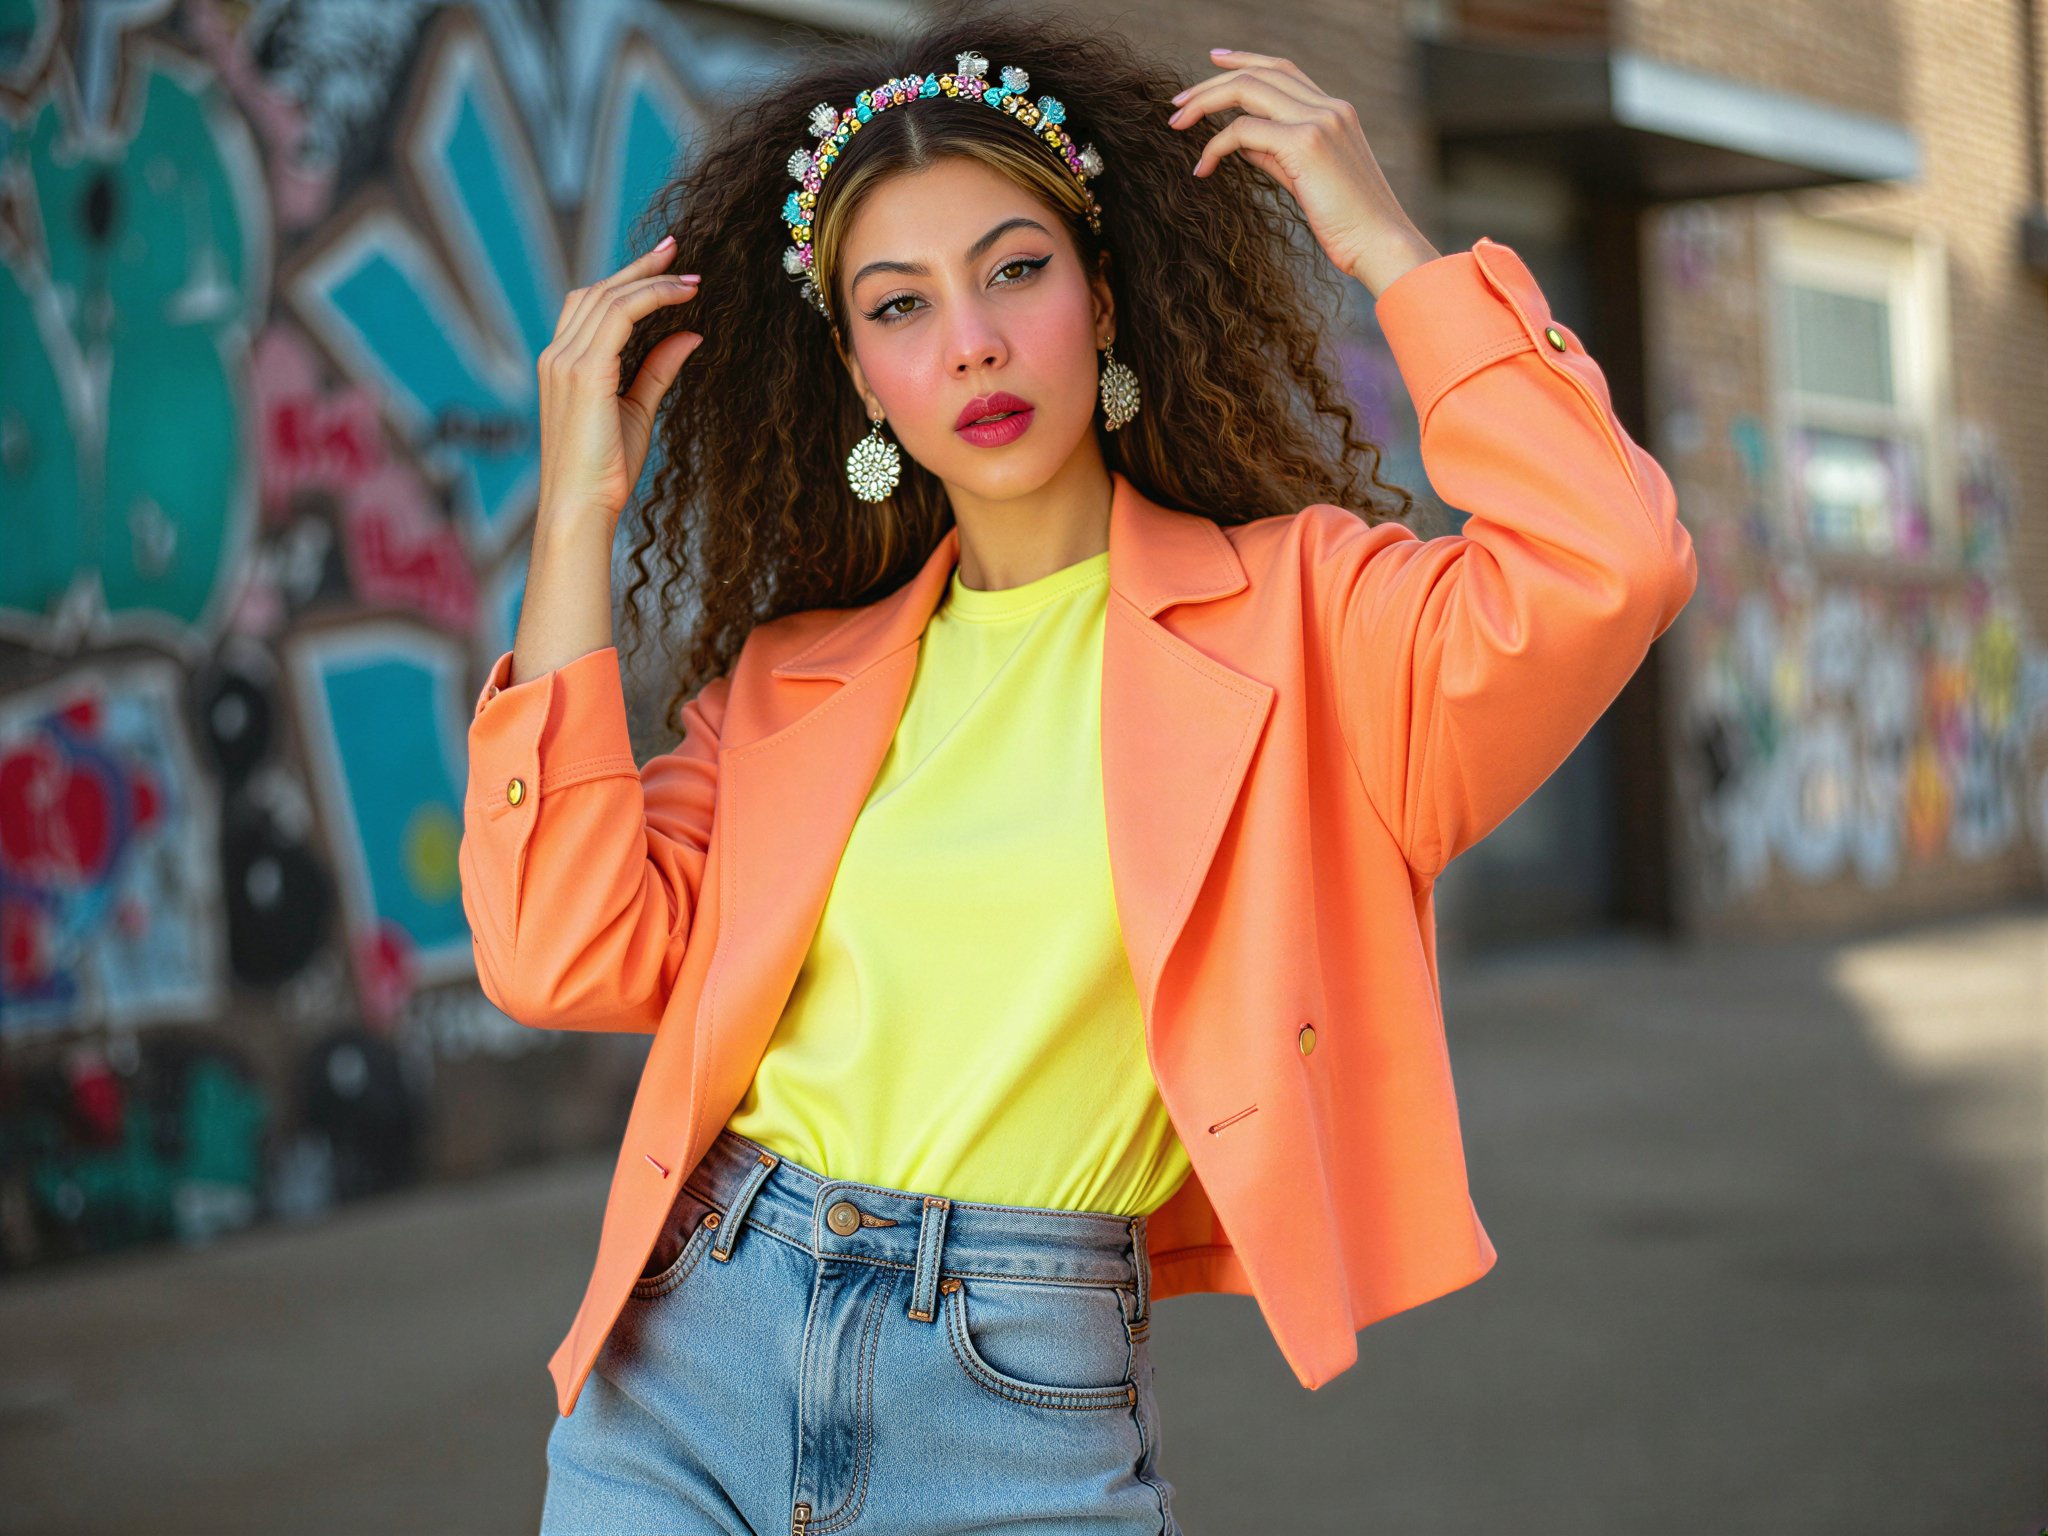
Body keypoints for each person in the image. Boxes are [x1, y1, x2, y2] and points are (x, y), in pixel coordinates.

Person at [458, 12, 1695, 1533]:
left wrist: (1388, 247)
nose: (970, 338)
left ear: (1102, 301)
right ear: (861, 376)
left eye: (1016, 270)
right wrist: (577, 511)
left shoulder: (1306, 626)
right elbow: (555, 952)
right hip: (689, 1359)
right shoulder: (793, 682)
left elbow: (1610, 564)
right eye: (900, 306)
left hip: (1018, 1391)